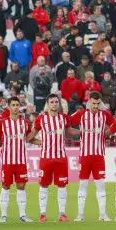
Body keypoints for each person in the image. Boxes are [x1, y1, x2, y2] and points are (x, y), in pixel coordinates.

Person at [27, 94, 75, 222]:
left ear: (59, 104)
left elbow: (69, 133)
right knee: (43, 185)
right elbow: (30, 137)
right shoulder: (41, 119)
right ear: (48, 104)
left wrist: (85, 131)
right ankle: (43, 214)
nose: (54, 104)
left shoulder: (64, 118)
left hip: (61, 158)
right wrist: (42, 143)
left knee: (62, 186)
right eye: (52, 102)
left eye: (56, 102)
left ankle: (62, 214)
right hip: (46, 158)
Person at [68, 91, 116, 221]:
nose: (95, 106)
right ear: (89, 102)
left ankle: (103, 214)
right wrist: (79, 131)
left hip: (98, 156)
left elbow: (115, 125)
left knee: (100, 185)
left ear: (100, 102)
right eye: (93, 103)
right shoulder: (82, 114)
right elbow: (68, 122)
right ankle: (80, 215)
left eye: (97, 103)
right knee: (82, 185)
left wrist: (106, 133)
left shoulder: (105, 115)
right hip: (84, 156)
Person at [0, 96, 33, 223]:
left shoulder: (25, 123)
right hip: (7, 161)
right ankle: (3, 215)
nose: (15, 107)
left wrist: (44, 142)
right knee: (5, 186)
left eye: (17, 105)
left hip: (21, 161)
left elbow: (29, 137)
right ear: (8, 107)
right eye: (13, 105)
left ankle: (22, 215)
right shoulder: (2, 123)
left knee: (21, 186)